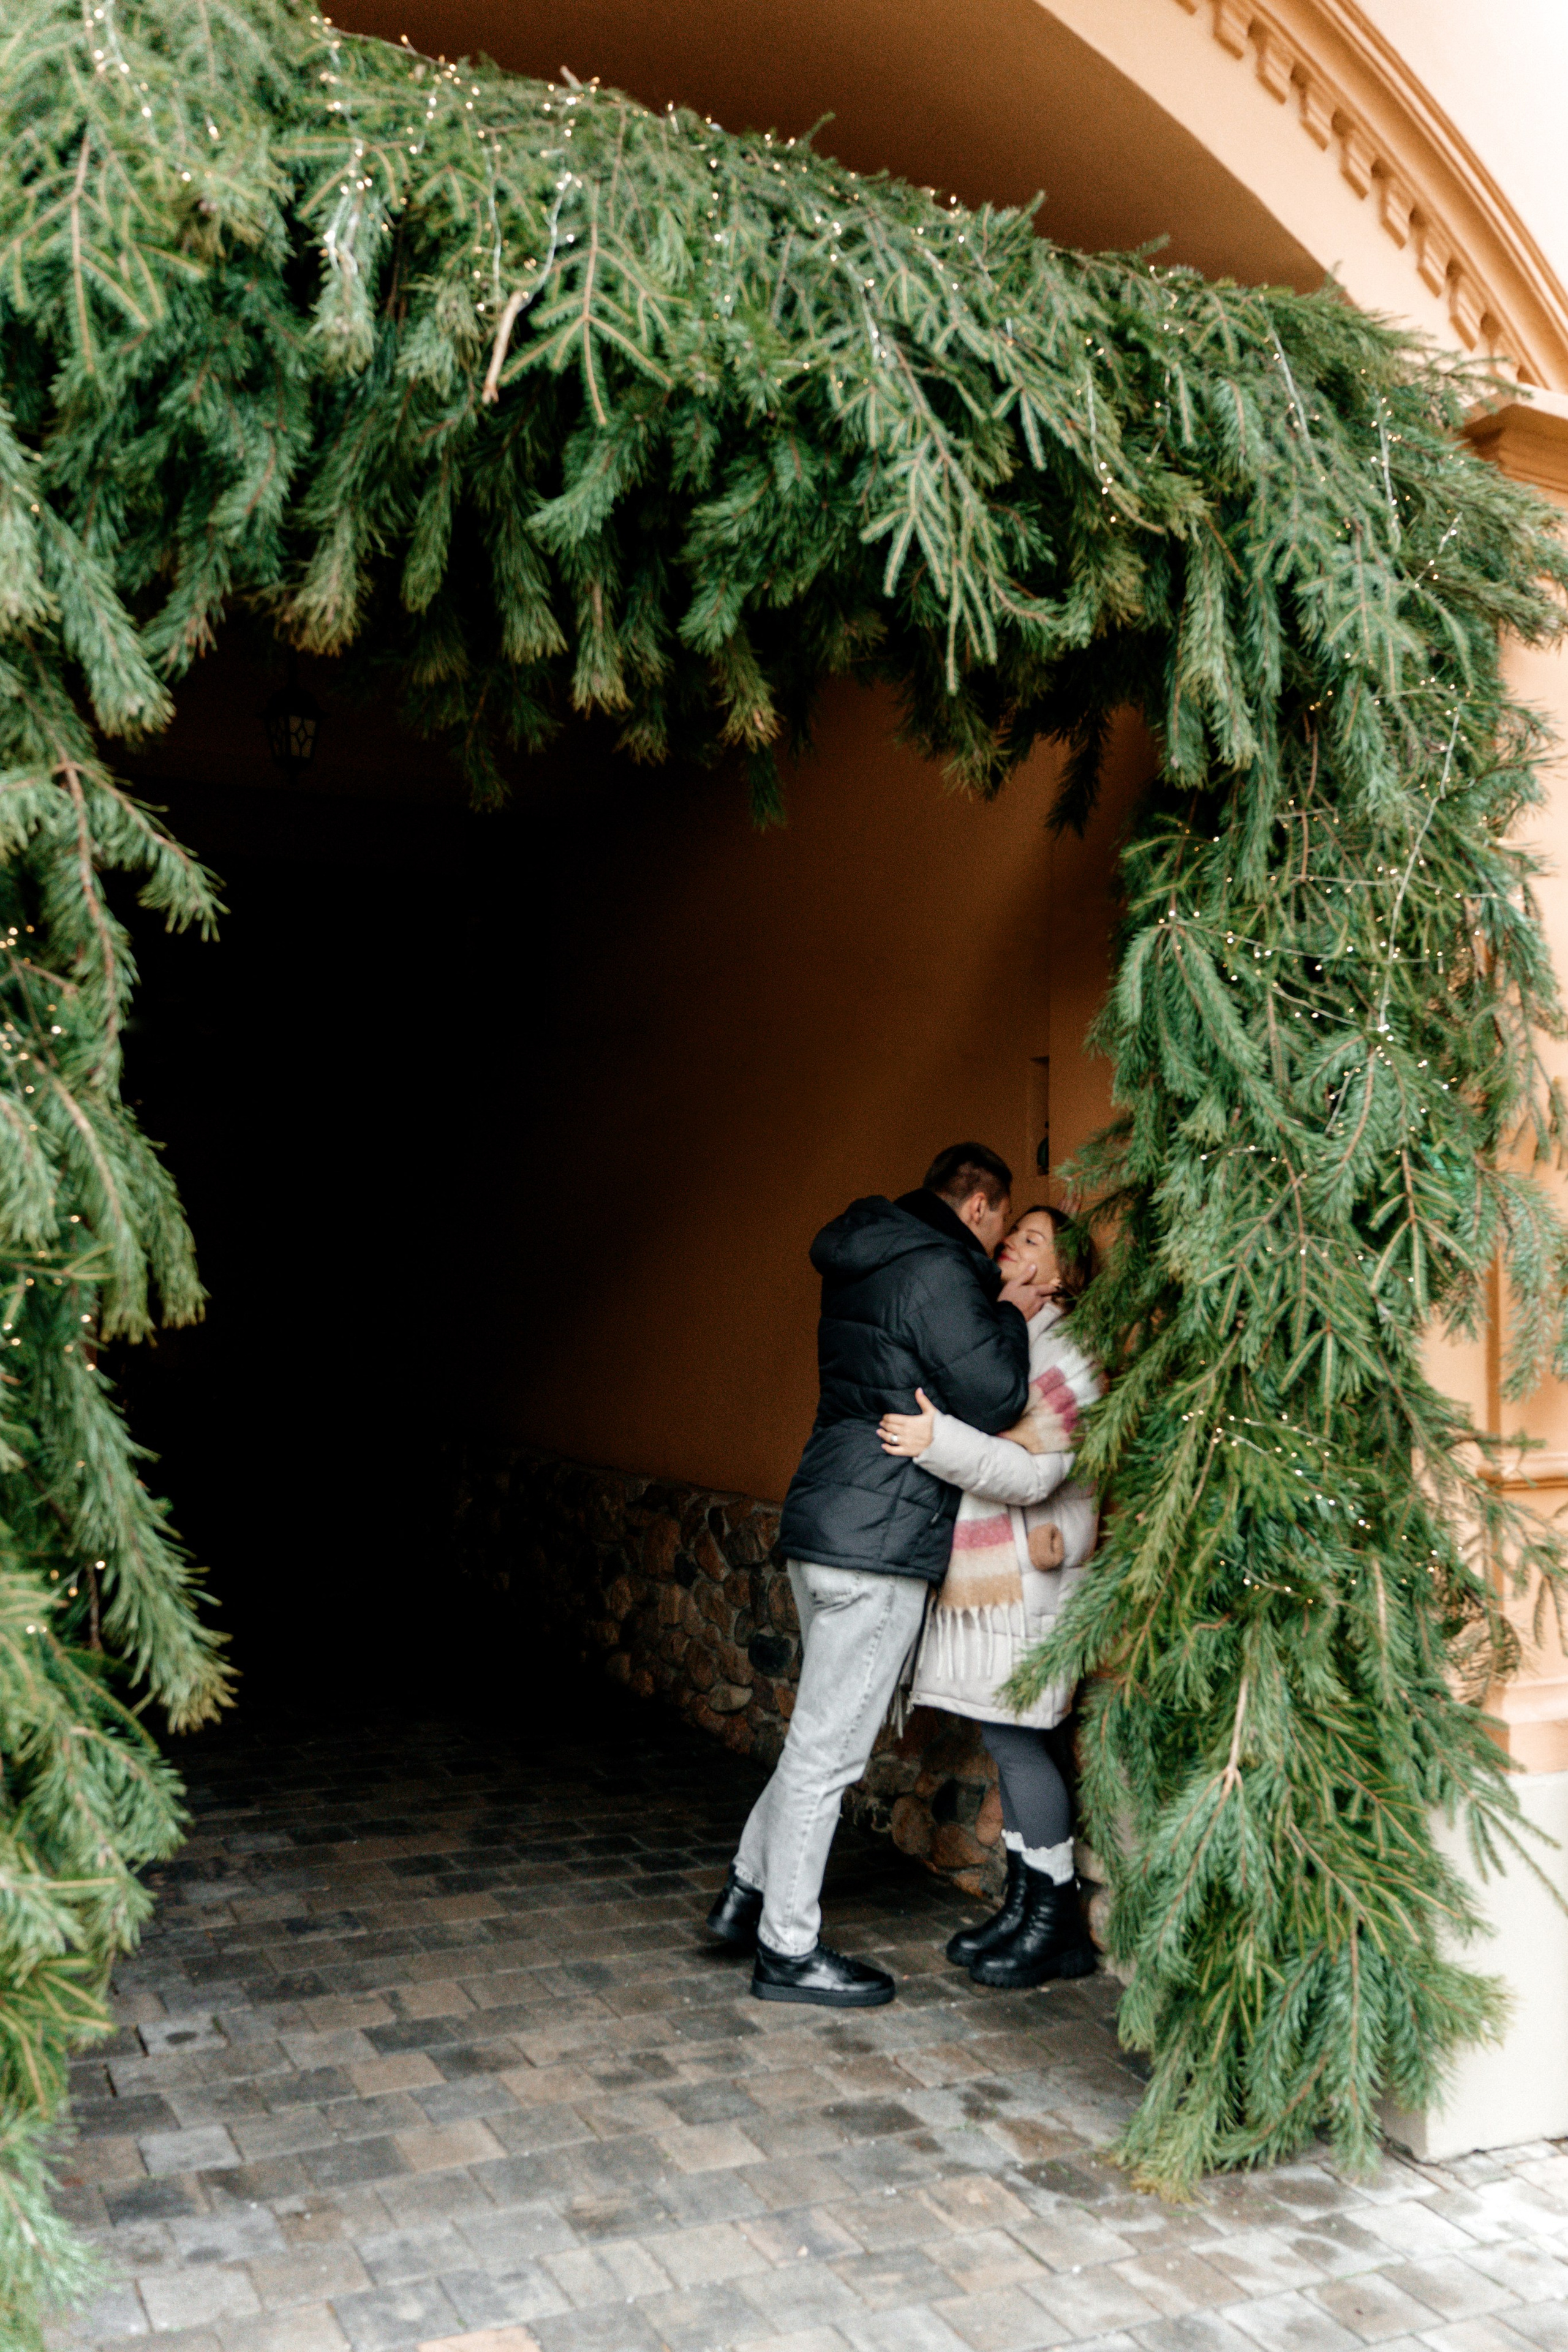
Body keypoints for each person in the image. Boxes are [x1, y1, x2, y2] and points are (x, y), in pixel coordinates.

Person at [704, 1144, 1050, 2008]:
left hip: (824, 1517)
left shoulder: (868, 1253)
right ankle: (789, 1949)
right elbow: (1000, 1391)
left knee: (814, 1738)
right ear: (978, 1204)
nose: (1000, 1244)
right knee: (831, 1753)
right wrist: (1009, 1311)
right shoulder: (940, 1268)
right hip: (879, 1540)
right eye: (1002, 1223)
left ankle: (747, 1892)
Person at [878, 1205, 1101, 1989]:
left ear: (1062, 1273)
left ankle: (1056, 1923)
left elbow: (1035, 1473)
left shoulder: (1068, 1353)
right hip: (1008, 1580)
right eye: (1014, 1234)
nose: (1011, 1244)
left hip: (1032, 1582)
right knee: (1010, 1741)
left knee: (1019, 1741)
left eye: (1031, 1239)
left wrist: (936, 1441)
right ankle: (1026, 1906)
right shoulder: (1023, 1337)